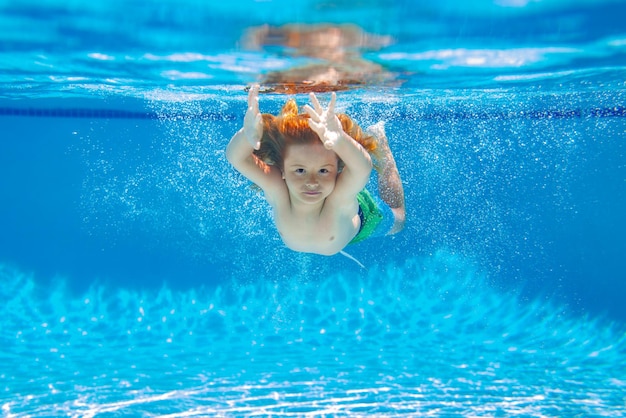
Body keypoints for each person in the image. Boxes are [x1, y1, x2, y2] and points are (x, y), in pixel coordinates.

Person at [225, 85, 405, 256]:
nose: (312, 182)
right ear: (282, 169)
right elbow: (237, 158)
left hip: (363, 220)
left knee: (399, 220)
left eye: (323, 171)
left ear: (339, 169)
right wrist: (246, 136)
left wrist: (340, 140)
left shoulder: (339, 197)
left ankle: (381, 142)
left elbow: (361, 169)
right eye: (300, 170)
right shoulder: (278, 189)